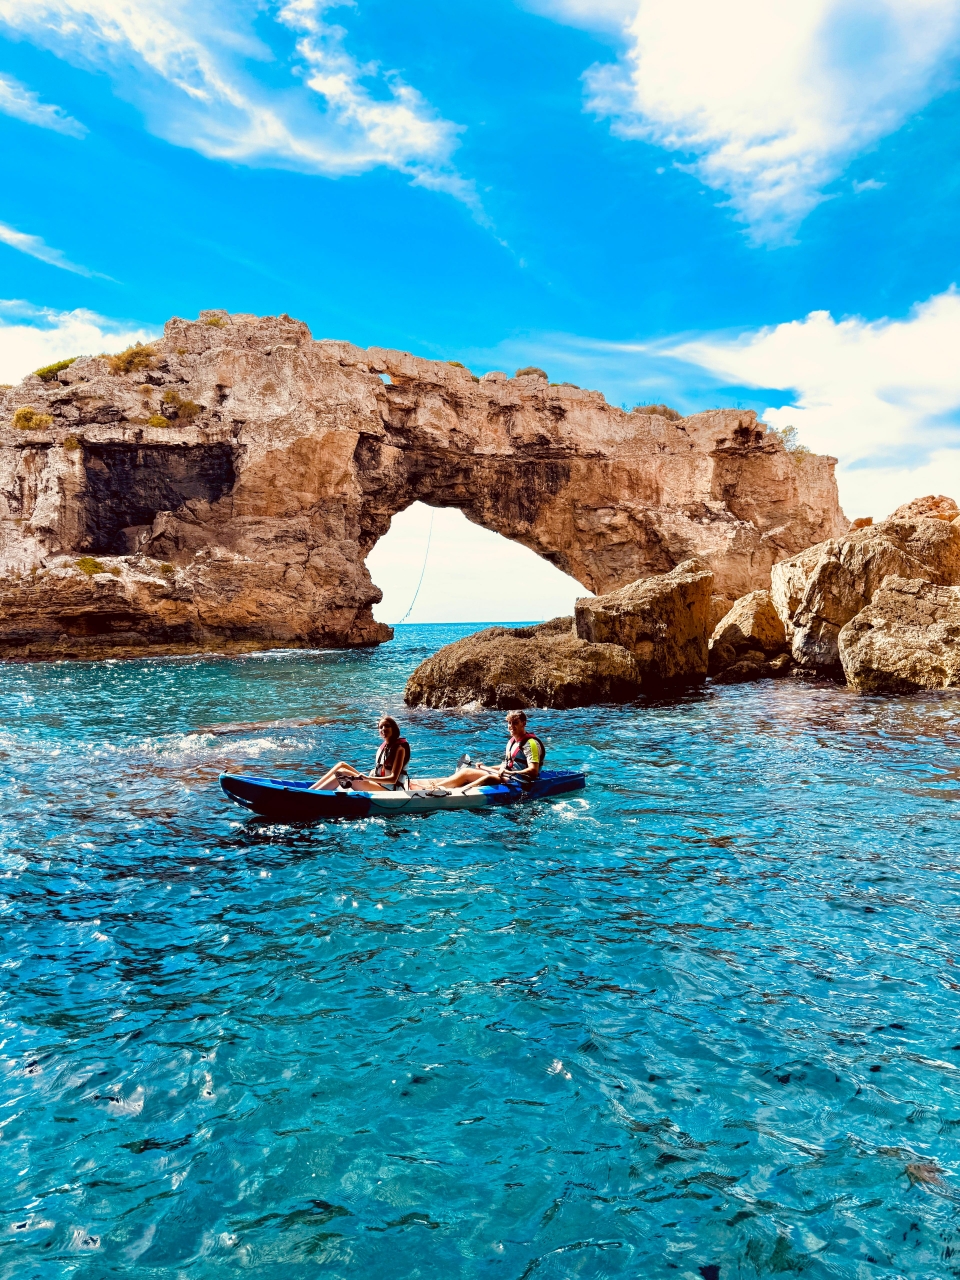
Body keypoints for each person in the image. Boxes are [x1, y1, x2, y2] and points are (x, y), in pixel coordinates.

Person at [431, 710, 544, 791]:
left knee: (488, 777)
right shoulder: (512, 742)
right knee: (466, 772)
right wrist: (486, 767)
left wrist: (511, 773)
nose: (511, 726)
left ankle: (458, 792)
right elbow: (506, 765)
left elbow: (533, 771)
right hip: (507, 776)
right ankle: (434, 788)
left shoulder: (531, 744)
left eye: (515, 723)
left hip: (520, 781)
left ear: (524, 723)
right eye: (509, 723)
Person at [310, 716, 411, 791]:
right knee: (341, 764)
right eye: (381, 727)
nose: (383, 729)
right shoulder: (386, 746)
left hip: (389, 790)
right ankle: (311, 790)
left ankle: (313, 795)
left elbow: (393, 779)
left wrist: (367, 778)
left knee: (343, 773)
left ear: (394, 728)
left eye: (387, 726)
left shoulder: (399, 749)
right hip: (378, 784)